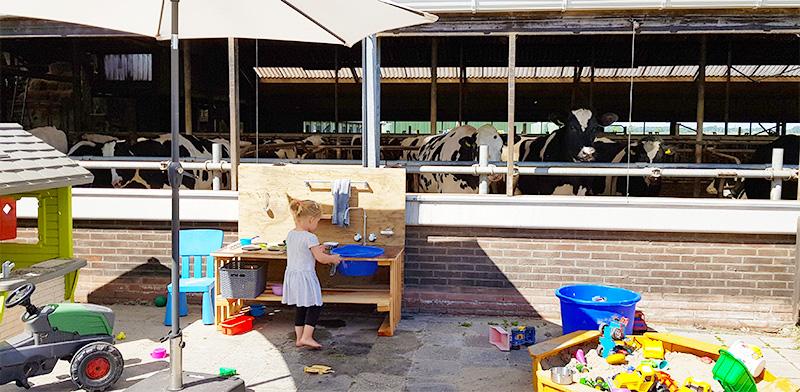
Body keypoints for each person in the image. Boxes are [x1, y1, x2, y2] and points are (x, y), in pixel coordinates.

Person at [283, 199, 341, 348]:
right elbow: (321, 259)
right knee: (315, 304)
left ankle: (299, 338)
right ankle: (307, 337)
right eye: (318, 221)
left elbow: (301, 251)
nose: (317, 225)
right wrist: (333, 259)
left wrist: (315, 249)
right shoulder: (310, 237)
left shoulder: (291, 234)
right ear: (311, 219)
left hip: (293, 276)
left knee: (301, 306)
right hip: (305, 276)